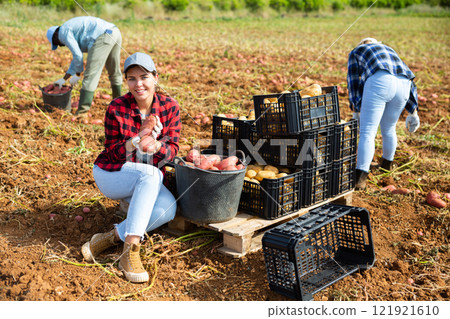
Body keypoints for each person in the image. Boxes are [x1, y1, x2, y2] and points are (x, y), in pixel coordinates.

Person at [81, 52, 181, 283]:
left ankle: (108, 238)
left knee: (168, 209)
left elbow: (173, 149)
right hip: (112, 174)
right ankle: (130, 251)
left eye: (144, 77)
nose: (139, 84)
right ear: (126, 81)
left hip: (148, 177)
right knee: (151, 173)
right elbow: (110, 152)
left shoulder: (170, 107)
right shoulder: (117, 107)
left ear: (156, 77)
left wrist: (157, 146)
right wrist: (135, 141)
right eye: (132, 78)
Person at [347, 37, 420, 190]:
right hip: (403, 85)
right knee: (389, 128)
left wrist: (355, 108)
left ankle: (360, 178)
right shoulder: (389, 49)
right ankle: (386, 165)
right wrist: (413, 110)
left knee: (367, 132)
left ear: (362, 44)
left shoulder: (357, 51)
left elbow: (353, 80)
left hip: (380, 81)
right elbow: (409, 77)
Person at [46, 16, 123, 115]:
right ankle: (119, 106)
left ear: (55, 35)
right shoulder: (69, 27)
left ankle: (82, 111)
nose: (61, 45)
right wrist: (64, 79)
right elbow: (76, 58)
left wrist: (78, 75)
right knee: (114, 72)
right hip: (114, 31)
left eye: (57, 43)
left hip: (102, 36)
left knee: (90, 75)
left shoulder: (63, 33)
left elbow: (77, 55)